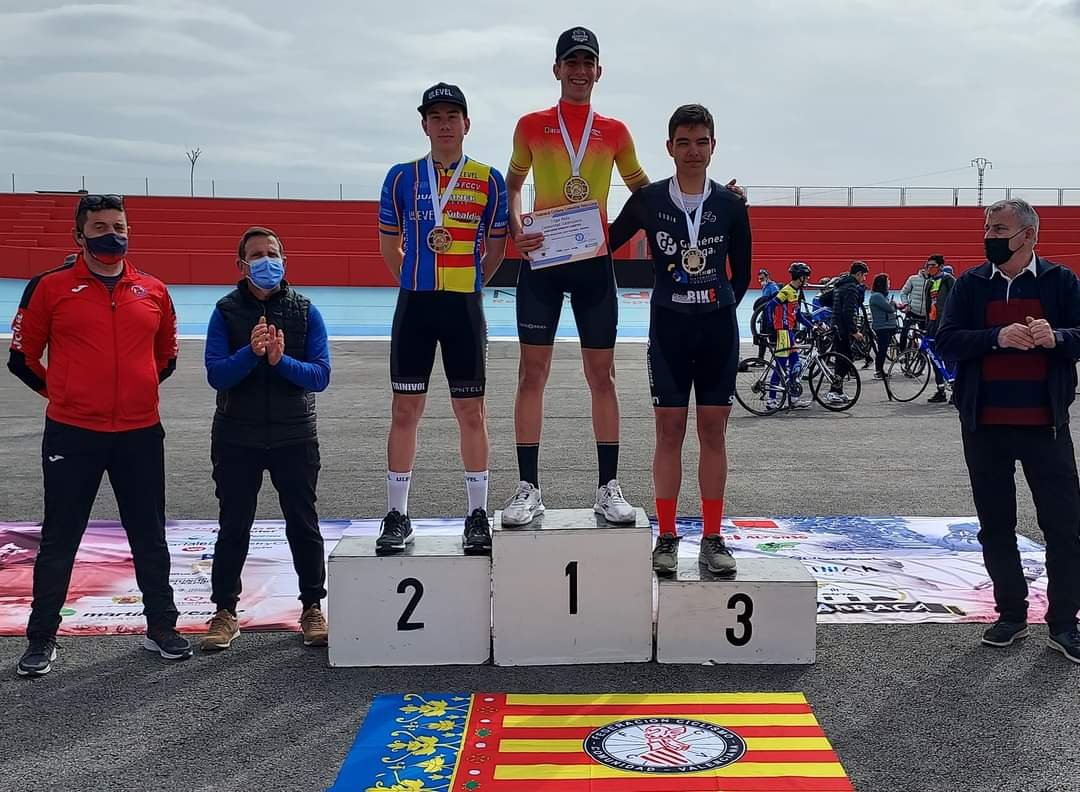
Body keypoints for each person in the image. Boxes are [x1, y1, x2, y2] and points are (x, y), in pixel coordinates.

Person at [7, 194, 189, 676]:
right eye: (101, 227)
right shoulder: (49, 287)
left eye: (119, 226)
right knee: (61, 536)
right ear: (79, 235)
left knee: (149, 535)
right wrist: (67, 395)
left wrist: (133, 393)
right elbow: (22, 358)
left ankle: (162, 627)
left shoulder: (153, 289)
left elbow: (166, 358)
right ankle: (42, 637)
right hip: (73, 433)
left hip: (139, 432)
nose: (112, 235)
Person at [501, 27, 650, 526]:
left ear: (598, 71)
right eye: (571, 62)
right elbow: (513, 184)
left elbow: (643, 191)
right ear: (557, 69)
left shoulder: (615, 132)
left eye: (588, 63)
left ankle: (608, 488)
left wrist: (701, 194)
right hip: (542, 263)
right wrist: (515, 226)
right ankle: (528, 488)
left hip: (592, 265)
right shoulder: (530, 126)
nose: (580, 71)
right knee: (531, 375)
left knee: (602, 377)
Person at [608, 103, 751, 576]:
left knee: (713, 432)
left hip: (717, 330)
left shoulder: (731, 205)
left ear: (713, 147)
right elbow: (604, 244)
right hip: (668, 331)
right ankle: (666, 536)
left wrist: (712, 304)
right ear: (669, 147)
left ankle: (712, 536)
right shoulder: (648, 200)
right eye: (684, 142)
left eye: (701, 142)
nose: (693, 151)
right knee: (668, 432)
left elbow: (742, 274)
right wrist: (547, 239)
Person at [936, 198, 1080, 664]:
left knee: (1064, 527)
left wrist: (1057, 337)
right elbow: (946, 341)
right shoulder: (971, 284)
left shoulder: (1061, 281)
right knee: (996, 526)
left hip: (1046, 426)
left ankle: (1064, 624)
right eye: (988, 228)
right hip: (985, 427)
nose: (990, 236)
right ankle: (1011, 615)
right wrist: (995, 338)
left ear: (1029, 235)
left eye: (999, 229)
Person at [376, 83, 508, 555]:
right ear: (424, 125)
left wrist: (467, 281)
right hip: (415, 304)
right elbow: (388, 244)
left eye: (453, 116)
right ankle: (397, 514)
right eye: (436, 117)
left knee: (471, 411)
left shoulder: (489, 180)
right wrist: (417, 279)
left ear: (467, 124)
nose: (445, 124)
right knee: (404, 410)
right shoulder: (400, 177)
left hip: (464, 307)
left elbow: (495, 248)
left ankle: (477, 514)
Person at [200, 227, 332, 651]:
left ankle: (312, 607)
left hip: (295, 434)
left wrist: (280, 360)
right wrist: (250, 354)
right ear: (241, 265)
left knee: (303, 523)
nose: (266, 261)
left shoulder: (306, 311)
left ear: (284, 260)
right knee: (234, 525)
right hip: (237, 436)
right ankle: (225, 611)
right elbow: (216, 374)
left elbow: (320, 375)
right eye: (256, 255)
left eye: (272, 253)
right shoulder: (225, 311)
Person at [769, 262, 813, 410]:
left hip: (790, 332)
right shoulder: (786, 291)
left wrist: (813, 326)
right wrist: (772, 327)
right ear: (800, 277)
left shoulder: (796, 292)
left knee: (796, 366)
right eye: (806, 277)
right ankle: (771, 400)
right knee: (780, 366)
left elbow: (798, 315)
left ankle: (794, 398)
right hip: (783, 333)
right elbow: (770, 306)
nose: (807, 279)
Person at [827, 260, 869, 404]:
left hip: (836, 326)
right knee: (846, 359)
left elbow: (824, 300)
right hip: (843, 329)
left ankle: (837, 390)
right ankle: (834, 390)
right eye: (864, 276)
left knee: (842, 359)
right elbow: (848, 312)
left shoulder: (840, 285)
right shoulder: (851, 288)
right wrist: (854, 331)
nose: (864, 279)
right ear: (859, 274)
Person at [924, 255, 956, 403]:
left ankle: (955, 390)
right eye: (928, 265)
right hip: (932, 324)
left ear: (941, 266)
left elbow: (956, 303)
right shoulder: (930, 282)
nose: (929, 268)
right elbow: (928, 305)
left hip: (945, 325)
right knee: (934, 358)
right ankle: (940, 389)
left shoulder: (949, 281)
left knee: (948, 358)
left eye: (933, 265)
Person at [868, 273, 898, 379]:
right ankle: (878, 370)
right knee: (882, 349)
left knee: (883, 349)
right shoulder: (877, 296)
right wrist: (893, 304)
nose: (889, 284)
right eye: (887, 282)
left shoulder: (883, 296)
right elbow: (890, 309)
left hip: (886, 325)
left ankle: (880, 370)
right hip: (882, 326)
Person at [897, 260, 931, 352]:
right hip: (912, 312)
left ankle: (922, 356)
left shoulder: (934, 281)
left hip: (925, 314)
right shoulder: (913, 279)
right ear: (925, 269)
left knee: (925, 337)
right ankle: (902, 352)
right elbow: (904, 293)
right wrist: (906, 304)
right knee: (904, 332)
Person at [754, 268, 780, 362]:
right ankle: (760, 360)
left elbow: (776, 296)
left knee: (773, 339)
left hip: (771, 317)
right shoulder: (765, 287)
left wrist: (767, 301)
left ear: (767, 277)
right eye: (759, 279)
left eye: (762, 278)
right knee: (762, 338)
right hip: (764, 316)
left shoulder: (773, 286)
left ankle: (778, 360)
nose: (761, 281)